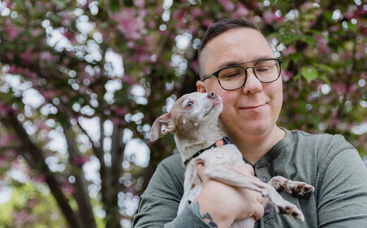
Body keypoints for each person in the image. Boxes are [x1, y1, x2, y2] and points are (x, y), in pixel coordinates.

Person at [133, 18, 367, 228]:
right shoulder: (174, 174)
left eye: (264, 68)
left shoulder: (328, 158)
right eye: (231, 74)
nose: (253, 85)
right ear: (204, 92)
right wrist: (204, 216)